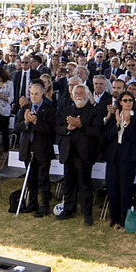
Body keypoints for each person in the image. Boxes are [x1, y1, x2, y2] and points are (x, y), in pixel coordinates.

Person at [54, 82, 102, 225]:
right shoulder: (66, 110)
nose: (79, 96)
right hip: (68, 153)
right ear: (72, 96)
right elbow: (57, 128)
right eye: (76, 93)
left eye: (82, 93)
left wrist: (80, 126)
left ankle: (87, 214)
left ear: (87, 95)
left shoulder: (94, 112)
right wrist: (68, 128)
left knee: (85, 185)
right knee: (68, 183)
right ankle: (69, 209)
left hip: (85, 155)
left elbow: (97, 132)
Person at [102, 90, 136, 229]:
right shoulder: (114, 116)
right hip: (113, 157)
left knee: (125, 189)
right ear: (120, 102)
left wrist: (127, 124)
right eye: (125, 100)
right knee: (112, 187)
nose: (128, 103)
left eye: (130, 100)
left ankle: (124, 219)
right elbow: (107, 137)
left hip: (128, 158)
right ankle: (114, 218)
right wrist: (117, 124)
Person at [16, 81, 56, 217]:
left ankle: (45, 205)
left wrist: (36, 122)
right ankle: (33, 203)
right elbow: (16, 127)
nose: (34, 96)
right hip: (28, 148)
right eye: (32, 94)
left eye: (37, 94)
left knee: (43, 179)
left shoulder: (49, 109)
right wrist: (26, 123)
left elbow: (51, 129)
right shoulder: (25, 108)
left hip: (43, 149)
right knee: (31, 179)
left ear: (42, 94)